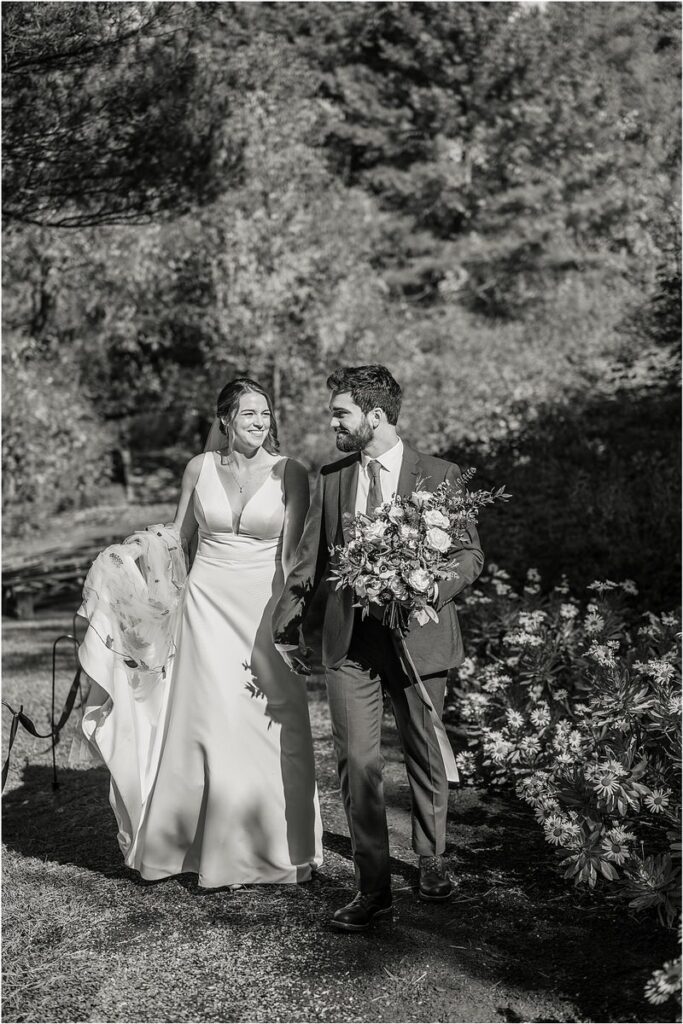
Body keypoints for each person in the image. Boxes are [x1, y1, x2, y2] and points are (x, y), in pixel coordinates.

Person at [76, 378, 323, 887]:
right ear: (225, 419)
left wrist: (292, 621)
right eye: (250, 413)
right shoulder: (199, 467)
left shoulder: (291, 473)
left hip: (263, 608)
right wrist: (125, 562)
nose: (260, 422)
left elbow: (295, 555)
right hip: (204, 607)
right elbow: (177, 541)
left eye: (266, 414)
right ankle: (199, 848)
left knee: (271, 721)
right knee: (209, 722)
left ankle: (276, 848)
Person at [272, 364, 483, 931]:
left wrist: (424, 587)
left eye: (340, 413)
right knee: (356, 763)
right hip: (351, 646)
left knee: (424, 756)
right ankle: (373, 890)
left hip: (420, 640)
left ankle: (433, 857)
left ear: (376, 416)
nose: (332, 423)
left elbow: (468, 555)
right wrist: (285, 623)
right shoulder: (334, 475)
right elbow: (311, 560)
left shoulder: (441, 474)